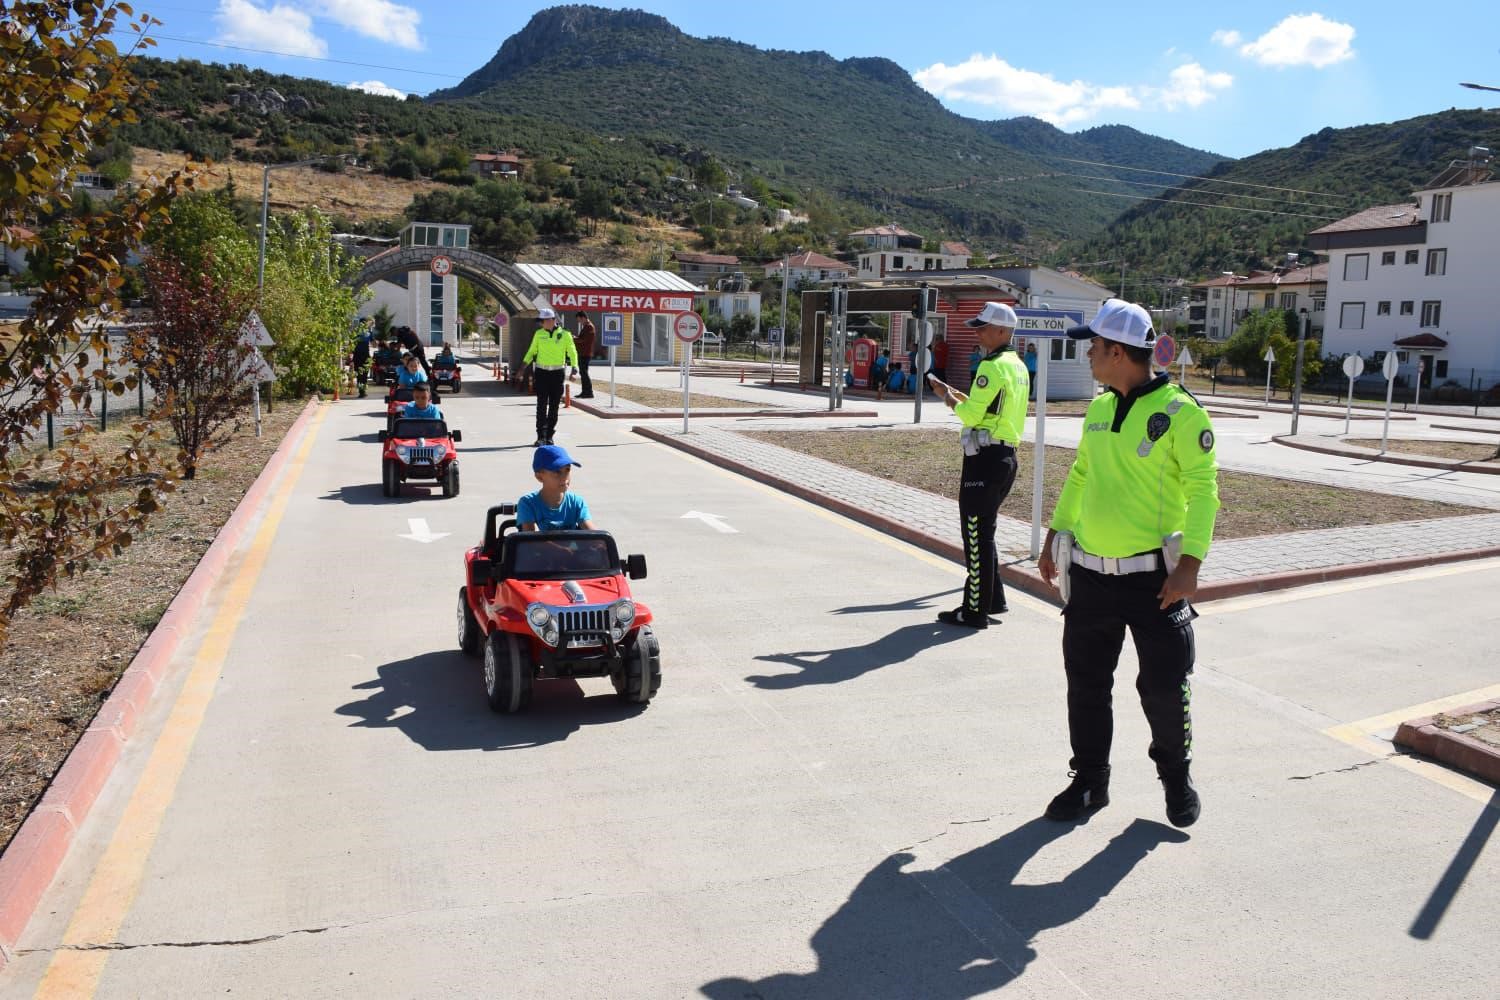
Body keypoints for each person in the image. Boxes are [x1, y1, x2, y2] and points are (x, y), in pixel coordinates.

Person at [1036, 298, 1219, 830]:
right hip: (1092, 577)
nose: (1088, 353)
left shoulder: (1183, 413)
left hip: (1154, 583)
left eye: (1094, 346)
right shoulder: (1097, 409)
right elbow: (1079, 476)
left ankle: (1176, 777)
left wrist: (1190, 565)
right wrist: (1055, 535)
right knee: (1086, 684)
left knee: (1163, 688)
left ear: (1118, 352)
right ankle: (1091, 780)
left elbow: (1205, 490)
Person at [928, 301, 1028, 629]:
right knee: (986, 533)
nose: (979, 333)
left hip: (984, 461)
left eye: (983, 327)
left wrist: (945, 396)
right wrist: (959, 395)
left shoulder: (991, 366)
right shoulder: (1018, 365)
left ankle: (974, 611)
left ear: (1002, 331)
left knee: (975, 535)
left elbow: (973, 416)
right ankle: (993, 600)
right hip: (1005, 456)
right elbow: (990, 409)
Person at [522, 307, 578, 447]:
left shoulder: (565, 334)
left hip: (557, 374)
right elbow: (531, 351)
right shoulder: (539, 334)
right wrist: (522, 368)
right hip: (541, 373)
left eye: (544, 321)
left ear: (552, 320)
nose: (541, 323)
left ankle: (549, 436)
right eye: (541, 321)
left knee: (554, 407)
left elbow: (572, 352)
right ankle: (540, 436)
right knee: (541, 406)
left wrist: (574, 367)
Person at [518, 444, 595, 531]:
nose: (565, 477)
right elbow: (530, 540)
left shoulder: (577, 502)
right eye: (557, 472)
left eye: (567, 470)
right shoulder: (528, 504)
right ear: (540, 477)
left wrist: (599, 543)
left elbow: (593, 536)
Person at [573, 311, 596, 399]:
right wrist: (576, 338)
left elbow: (584, 340)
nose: (579, 322)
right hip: (583, 353)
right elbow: (582, 339)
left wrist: (574, 338)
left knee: (584, 373)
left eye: (579, 320)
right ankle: (584, 392)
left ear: (583, 318)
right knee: (583, 373)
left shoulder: (589, 327)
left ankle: (589, 392)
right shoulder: (586, 326)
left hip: (585, 353)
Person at [352, 326, 372, 398]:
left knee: (359, 376)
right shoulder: (369, 333)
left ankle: (361, 392)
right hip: (366, 357)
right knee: (364, 376)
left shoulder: (355, 333)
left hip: (357, 357)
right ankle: (363, 391)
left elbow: (352, 345)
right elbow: (374, 343)